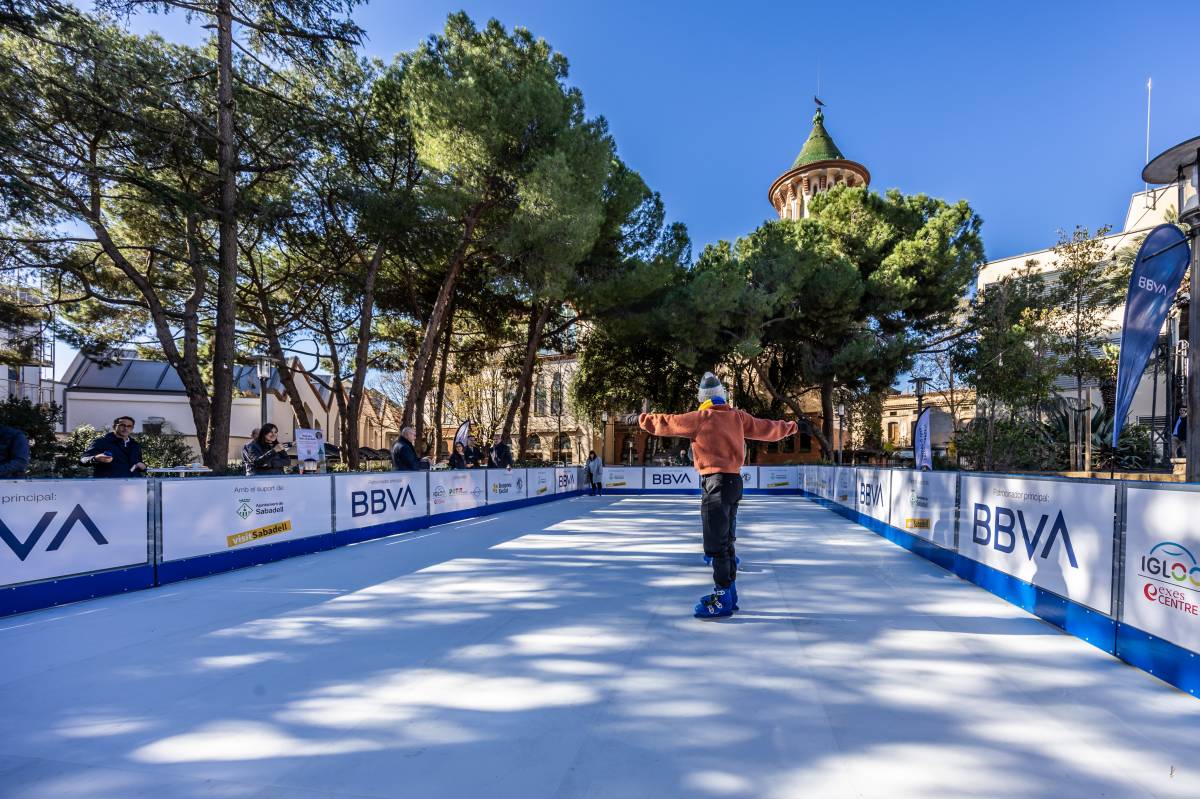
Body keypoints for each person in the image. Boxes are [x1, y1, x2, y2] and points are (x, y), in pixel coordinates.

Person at [639, 372, 797, 618]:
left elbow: (667, 423)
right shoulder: (737, 417)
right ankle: (730, 593)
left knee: (716, 544)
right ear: (722, 396)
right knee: (727, 541)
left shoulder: (701, 417)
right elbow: (767, 428)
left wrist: (642, 419)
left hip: (715, 484)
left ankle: (722, 596)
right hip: (734, 482)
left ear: (703, 398)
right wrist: (791, 427)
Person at [82, 416, 148, 478]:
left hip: (134, 484)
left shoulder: (135, 445)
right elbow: (83, 460)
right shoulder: (102, 442)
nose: (126, 428)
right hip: (111, 484)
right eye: (122, 425)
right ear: (114, 427)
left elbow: (136, 463)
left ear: (132, 428)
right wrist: (95, 458)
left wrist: (143, 466)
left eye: (129, 426)